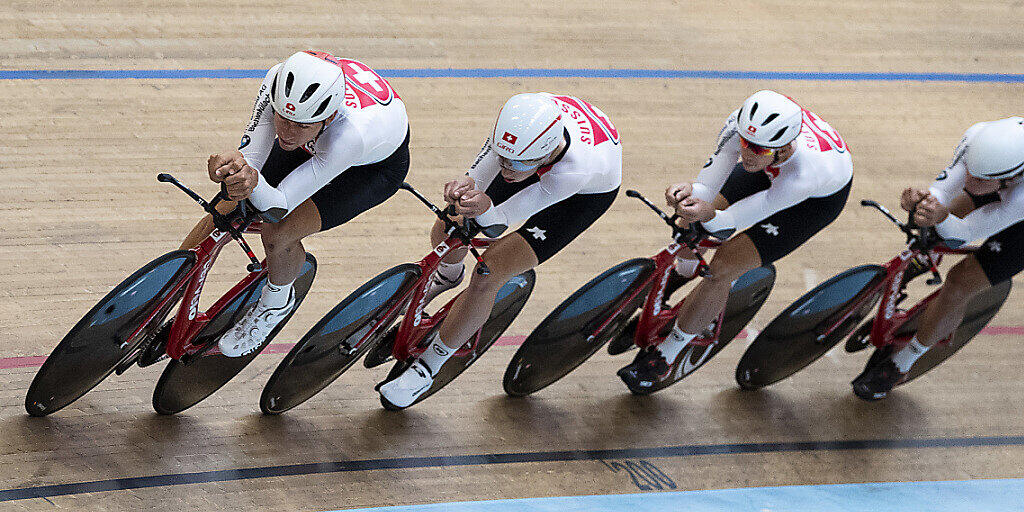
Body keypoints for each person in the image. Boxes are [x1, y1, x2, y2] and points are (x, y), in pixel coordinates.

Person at [378, 92, 622, 408]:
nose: (507, 169)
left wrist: (487, 205)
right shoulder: (518, 131)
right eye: (502, 156)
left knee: (488, 272)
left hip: (582, 196)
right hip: (532, 152)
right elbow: (494, 166)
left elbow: (499, 221)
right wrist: (468, 182)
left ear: (546, 154)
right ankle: (449, 275)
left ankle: (429, 367)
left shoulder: (573, 171)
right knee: (448, 224)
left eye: (516, 163)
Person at [177, 50, 410, 357]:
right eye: (282, 118)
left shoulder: (351, 135)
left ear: (327, 117)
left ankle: (275, 302)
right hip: (318, 139)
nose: (286, 132)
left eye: (299, 125)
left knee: (279, 231)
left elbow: (278, 206)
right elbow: (252, 162)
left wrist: (252, 181)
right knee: (227, 205)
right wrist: (232, 169)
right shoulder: (277, 81)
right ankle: (166, 290)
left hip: (370, 170)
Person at [618, 90, 854, 392]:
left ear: (783, 147)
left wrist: (707, 214)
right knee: (690, 222)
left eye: (759, 150)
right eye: (745, 143)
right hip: (776, 170)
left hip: (811, 202)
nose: (748, 155)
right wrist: (690, 194)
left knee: (724, 266)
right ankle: (684, 273)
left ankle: (670, 352)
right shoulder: (742, 128)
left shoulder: (805, 175)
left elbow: (731, 224)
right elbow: (707, 185)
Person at [853, 117, 1024, 399]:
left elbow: (965, 234)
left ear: (1011, 177)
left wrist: (941, 217)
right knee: (945, 216)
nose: (969, 179)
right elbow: (944, 191)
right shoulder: (977, 138)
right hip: (1001, 186)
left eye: (980, 178)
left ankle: (903, 363)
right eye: (970, 170)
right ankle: (927, 256)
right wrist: (923, 201)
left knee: (960, 282)